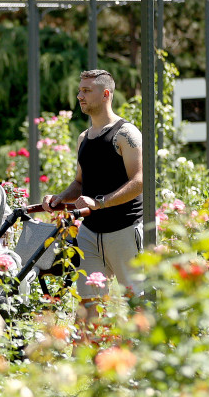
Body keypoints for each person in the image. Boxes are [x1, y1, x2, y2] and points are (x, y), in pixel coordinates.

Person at [42, 69, 143, 323]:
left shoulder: (126, 134)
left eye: (87, 91)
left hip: (125, 231)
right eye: (80, 90)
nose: (79, 96)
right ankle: (84, 361)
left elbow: (141, 181)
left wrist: (99, 203)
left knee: (138, 305)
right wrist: (59, 199)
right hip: (89, 234)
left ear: (106, 94)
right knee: (87, 307)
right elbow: (79, 183)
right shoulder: (83, 138)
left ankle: (145, 360)